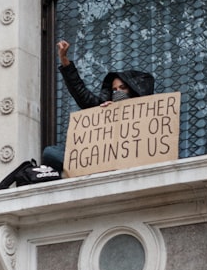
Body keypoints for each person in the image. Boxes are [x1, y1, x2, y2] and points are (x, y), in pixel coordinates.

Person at [42, 40, 155, 171]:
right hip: (100, 157)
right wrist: (64, 61)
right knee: (51, 152)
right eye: (114, 90)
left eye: (122, 88)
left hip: (130, 158)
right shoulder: (104, 107)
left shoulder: (148, 113)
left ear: (133, 89)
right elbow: (82, 94)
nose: (118, 92)